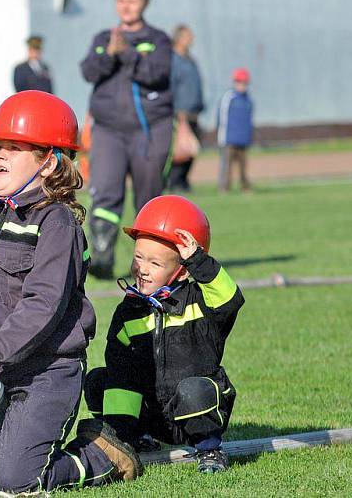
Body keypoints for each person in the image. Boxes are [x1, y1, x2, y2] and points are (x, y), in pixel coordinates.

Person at [0, 91, 142, 493]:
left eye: (14, 147)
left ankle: (100, 455)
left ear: (49, 162)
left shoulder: (57, 224)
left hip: (48, 372)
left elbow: (42, 305)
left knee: (14, 482)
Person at [84, 195, 244, 474]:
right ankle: (130, 439)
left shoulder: (201, 302)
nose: (142, 269)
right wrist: (121, 429)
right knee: (100, 380)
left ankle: (209, 449)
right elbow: (122, 373)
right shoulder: (129, 311)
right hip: (153, 415)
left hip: (194, 412)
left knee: (194, 390)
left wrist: (199, 261)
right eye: (138, 258)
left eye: (155, 264)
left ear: (182, 271)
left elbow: (230, 298)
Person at [80, 0, 173, 280]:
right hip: (108, 130)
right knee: (105, 192)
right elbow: (89, 72)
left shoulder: (157, 39)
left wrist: (128, 54)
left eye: (132, 0)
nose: (126, 6)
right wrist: (109, 53)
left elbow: (157, 74)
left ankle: (151, 266)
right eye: (121, 0)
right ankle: (103, 257)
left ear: (144, 1)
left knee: (149, 199)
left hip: (149, 130)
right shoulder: (103, 38)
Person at [167, 25, 204, 192]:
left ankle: (183, 181)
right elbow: (171, 86)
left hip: (193, 112)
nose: (192, 39)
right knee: (180, 150)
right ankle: (175, 182)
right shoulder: (173, 60)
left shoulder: (190, 59)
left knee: (192, 149)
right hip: (180, 114)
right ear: (179, 38)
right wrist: (177, 111)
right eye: (188, 36)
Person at [217, 68, 254, 193]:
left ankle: (245, 187)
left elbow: (249, 121)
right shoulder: (229, 97)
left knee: (243, 166)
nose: (242, 85)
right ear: (235, 82)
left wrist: (249, 136)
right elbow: (222, 117)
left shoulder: (248, 99)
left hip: (243, 139)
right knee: (227, 165)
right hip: (229, 138)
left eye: (244, 83)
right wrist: (222, 136)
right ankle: (224, 188)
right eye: (239, 82)